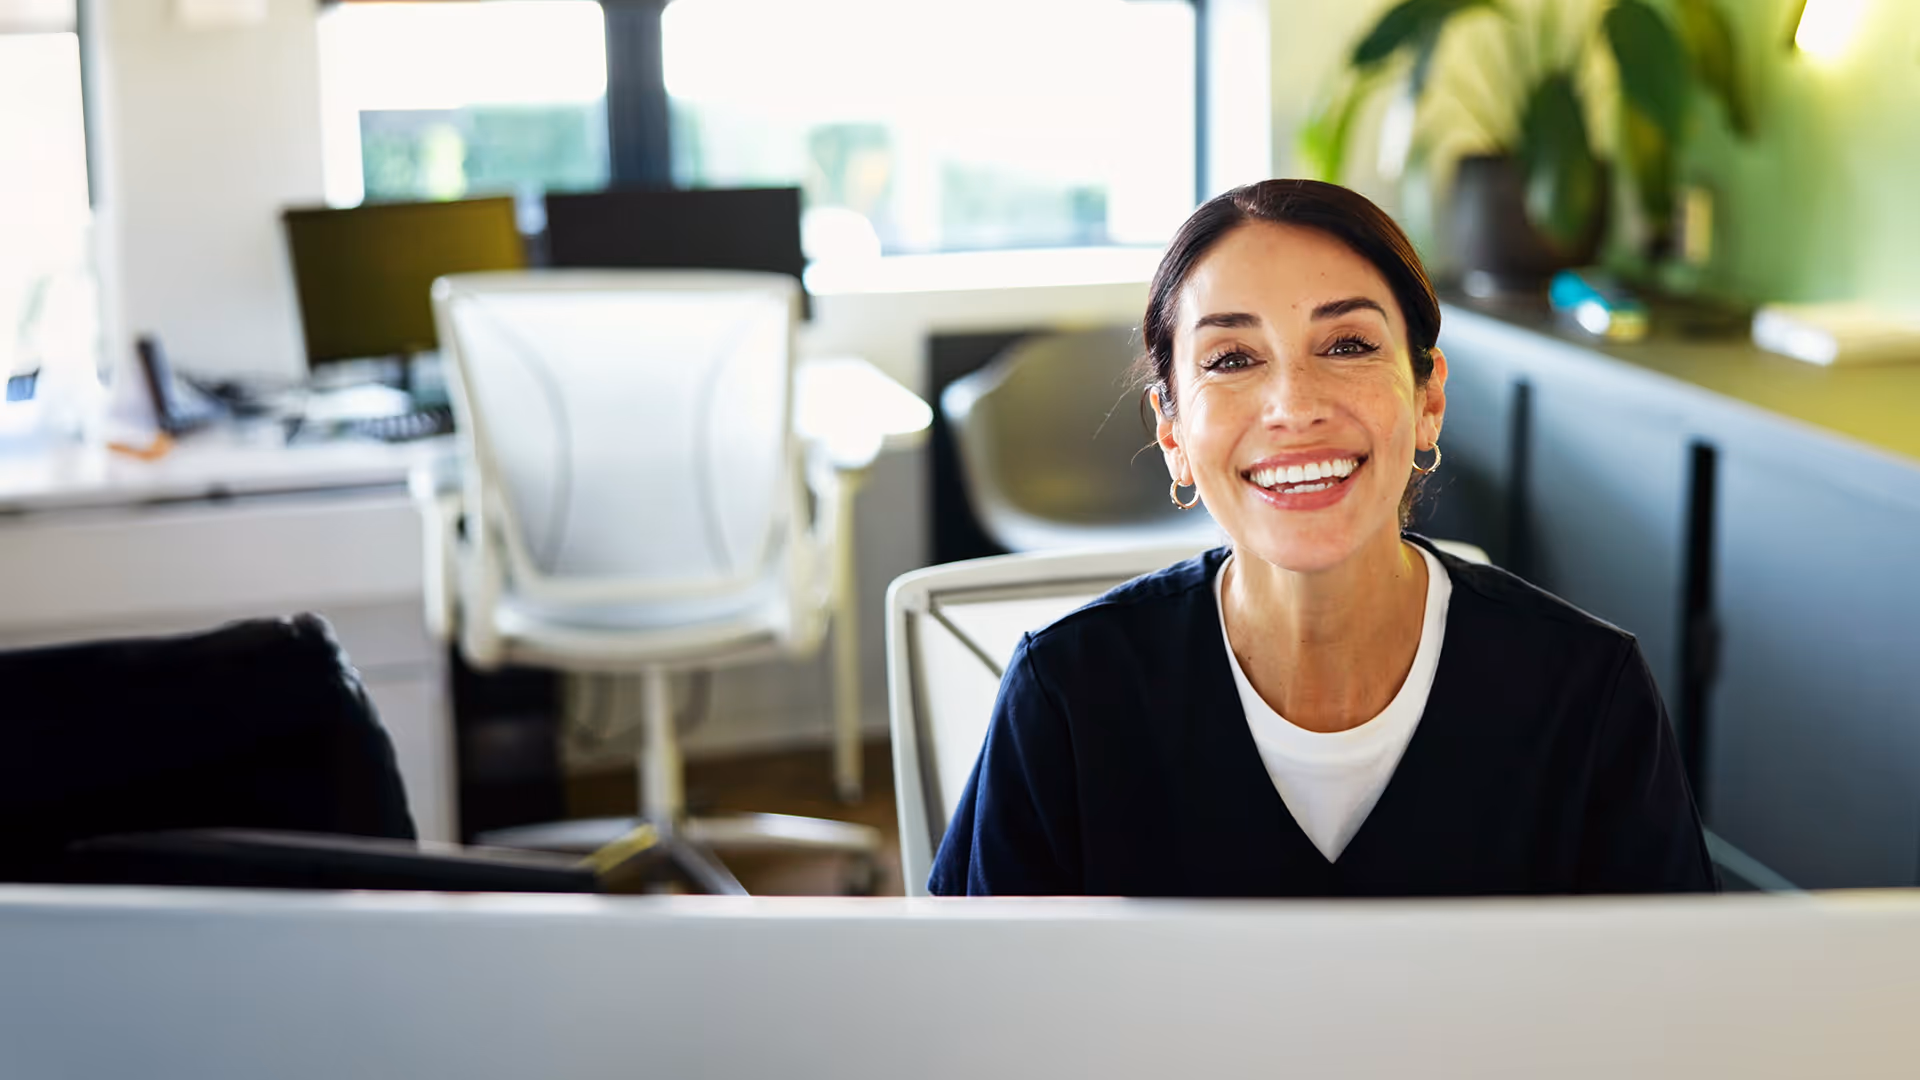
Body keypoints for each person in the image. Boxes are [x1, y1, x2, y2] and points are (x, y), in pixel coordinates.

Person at [929, 179, 1715, 897]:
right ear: (1171, 431)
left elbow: (1675, 1017)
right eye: (1232, 359)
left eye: (1347, 346)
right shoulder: (1066, 695)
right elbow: (971, 1010)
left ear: (1429, 396)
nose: (1293, 406)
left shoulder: (1588, 696)